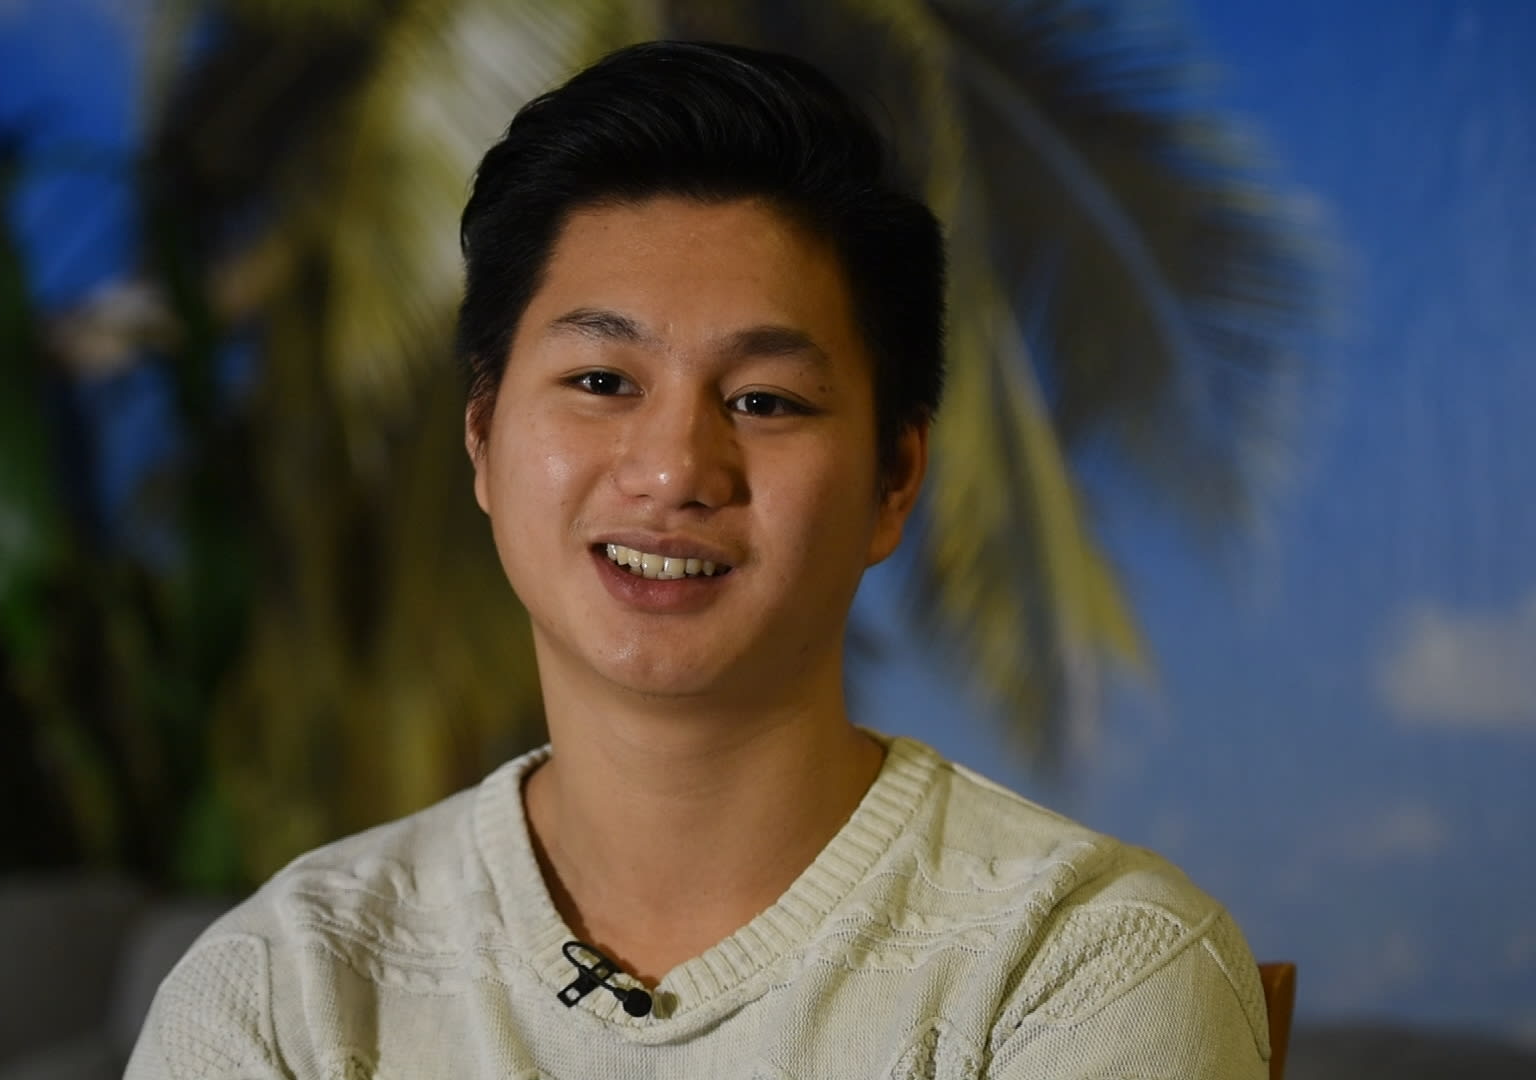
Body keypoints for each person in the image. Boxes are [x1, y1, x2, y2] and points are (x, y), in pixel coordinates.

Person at [124, 40, 1271, 1079]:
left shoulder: (1084, 965)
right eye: (601, 382)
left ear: (893, 481)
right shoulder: (290, 991)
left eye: (765, 399)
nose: (675, 468)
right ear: (482, 439)